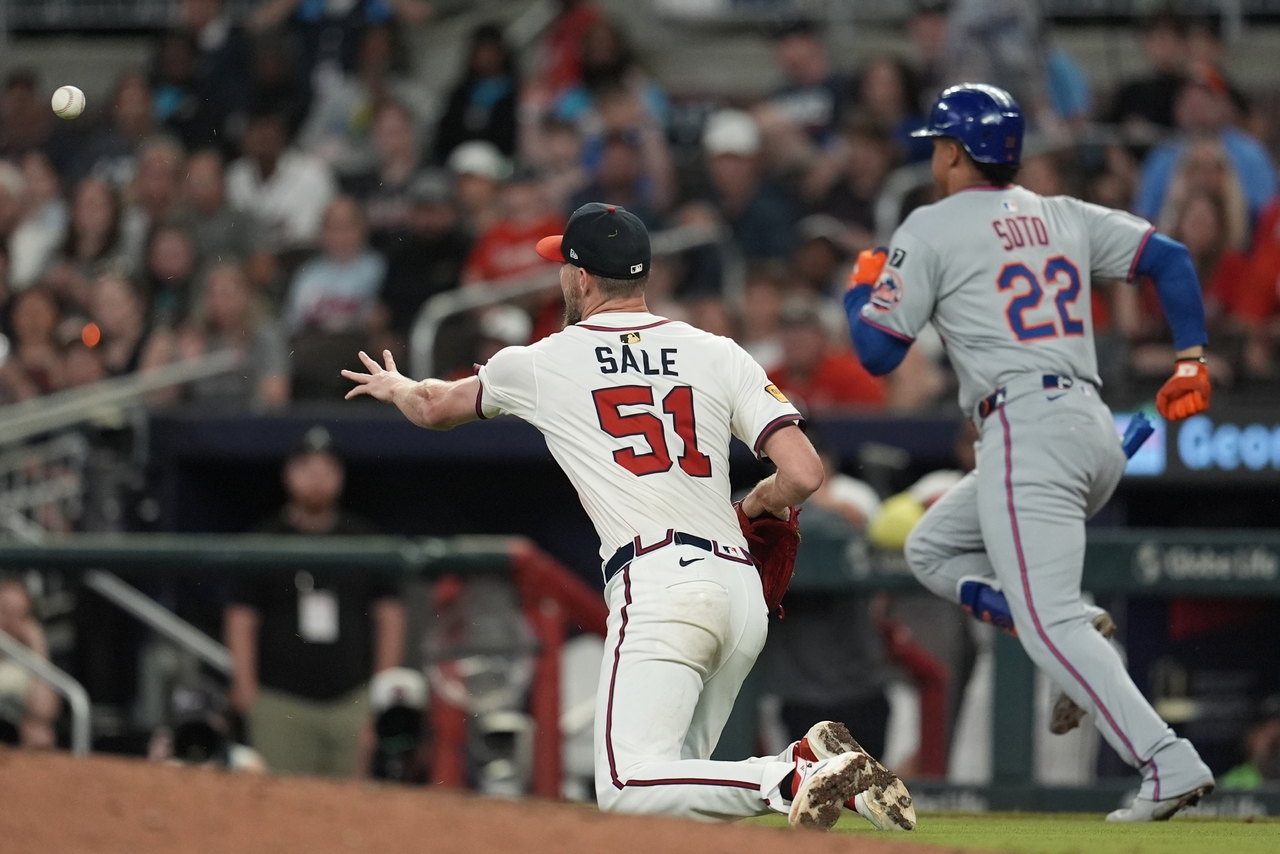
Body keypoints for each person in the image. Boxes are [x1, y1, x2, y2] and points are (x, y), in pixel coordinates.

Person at [341, 201, 916, 830]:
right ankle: (802, 767)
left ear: (581, 278)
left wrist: (397, 387)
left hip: (661, 583)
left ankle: (793, 772)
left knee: (627, 788)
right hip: (739, 592)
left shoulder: (540, 361)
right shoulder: (718, 351)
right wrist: (757, 503)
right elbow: (804, 475)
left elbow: (434, 407)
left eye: (563, 266)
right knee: (676, 803)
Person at [843, 83, 1215, 821]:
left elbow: (878, 354)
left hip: (1026, 430)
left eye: (939, 147)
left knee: (1052, 625)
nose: (936, 158)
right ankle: (1066, 626)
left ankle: (1166, 760)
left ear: (956, 152)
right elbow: (1170, 259)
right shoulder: (1061, 212)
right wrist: (1191, 361)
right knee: (931, 550)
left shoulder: (933, 223)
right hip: (1093, 431)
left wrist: (862, 291)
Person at [225, 426, 406, 777]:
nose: (316, 479)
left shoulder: (364, 540)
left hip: (351, 699)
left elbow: (390, 616)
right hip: (281, 701)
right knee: (280, 800)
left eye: (326, 470)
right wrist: (245, 687)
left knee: (348, 803)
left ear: (341, 476)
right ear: (289, 474)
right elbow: (241, 617)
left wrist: (381, 695)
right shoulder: (264, 541)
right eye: (306, 468)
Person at [226, 108, 338, 253]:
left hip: (304, 253)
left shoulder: (313, 173)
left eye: (268, 138)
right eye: (258, 137)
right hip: (251, 257)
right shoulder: (235, 176)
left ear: (282, 138)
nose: (263, 145)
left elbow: (328, 224)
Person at [432, 23, 519, 164]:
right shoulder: (459, 95)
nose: (485, 58)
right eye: (480, 51)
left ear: (502, 53)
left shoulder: (517, 93)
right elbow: (444, 139)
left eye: (490, 51)